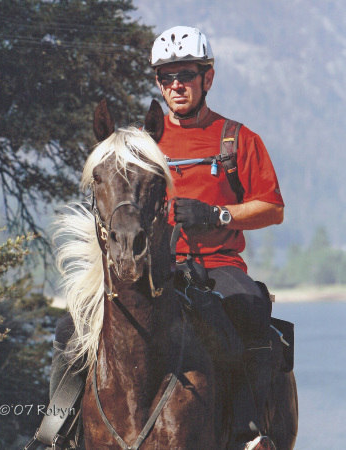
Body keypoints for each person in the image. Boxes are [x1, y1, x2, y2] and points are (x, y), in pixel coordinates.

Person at [150, 26, 284, 450]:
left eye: (186, 74)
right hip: (156, 267)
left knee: (251, 306)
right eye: (166, 77)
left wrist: (217, 213)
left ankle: (248, 430)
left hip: (218, 265)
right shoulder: (142, 141)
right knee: (72, 328)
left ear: (207, 77)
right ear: (158, 82)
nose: (176, 85)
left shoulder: (239, 139)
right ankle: (56, 427)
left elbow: (273, 209)